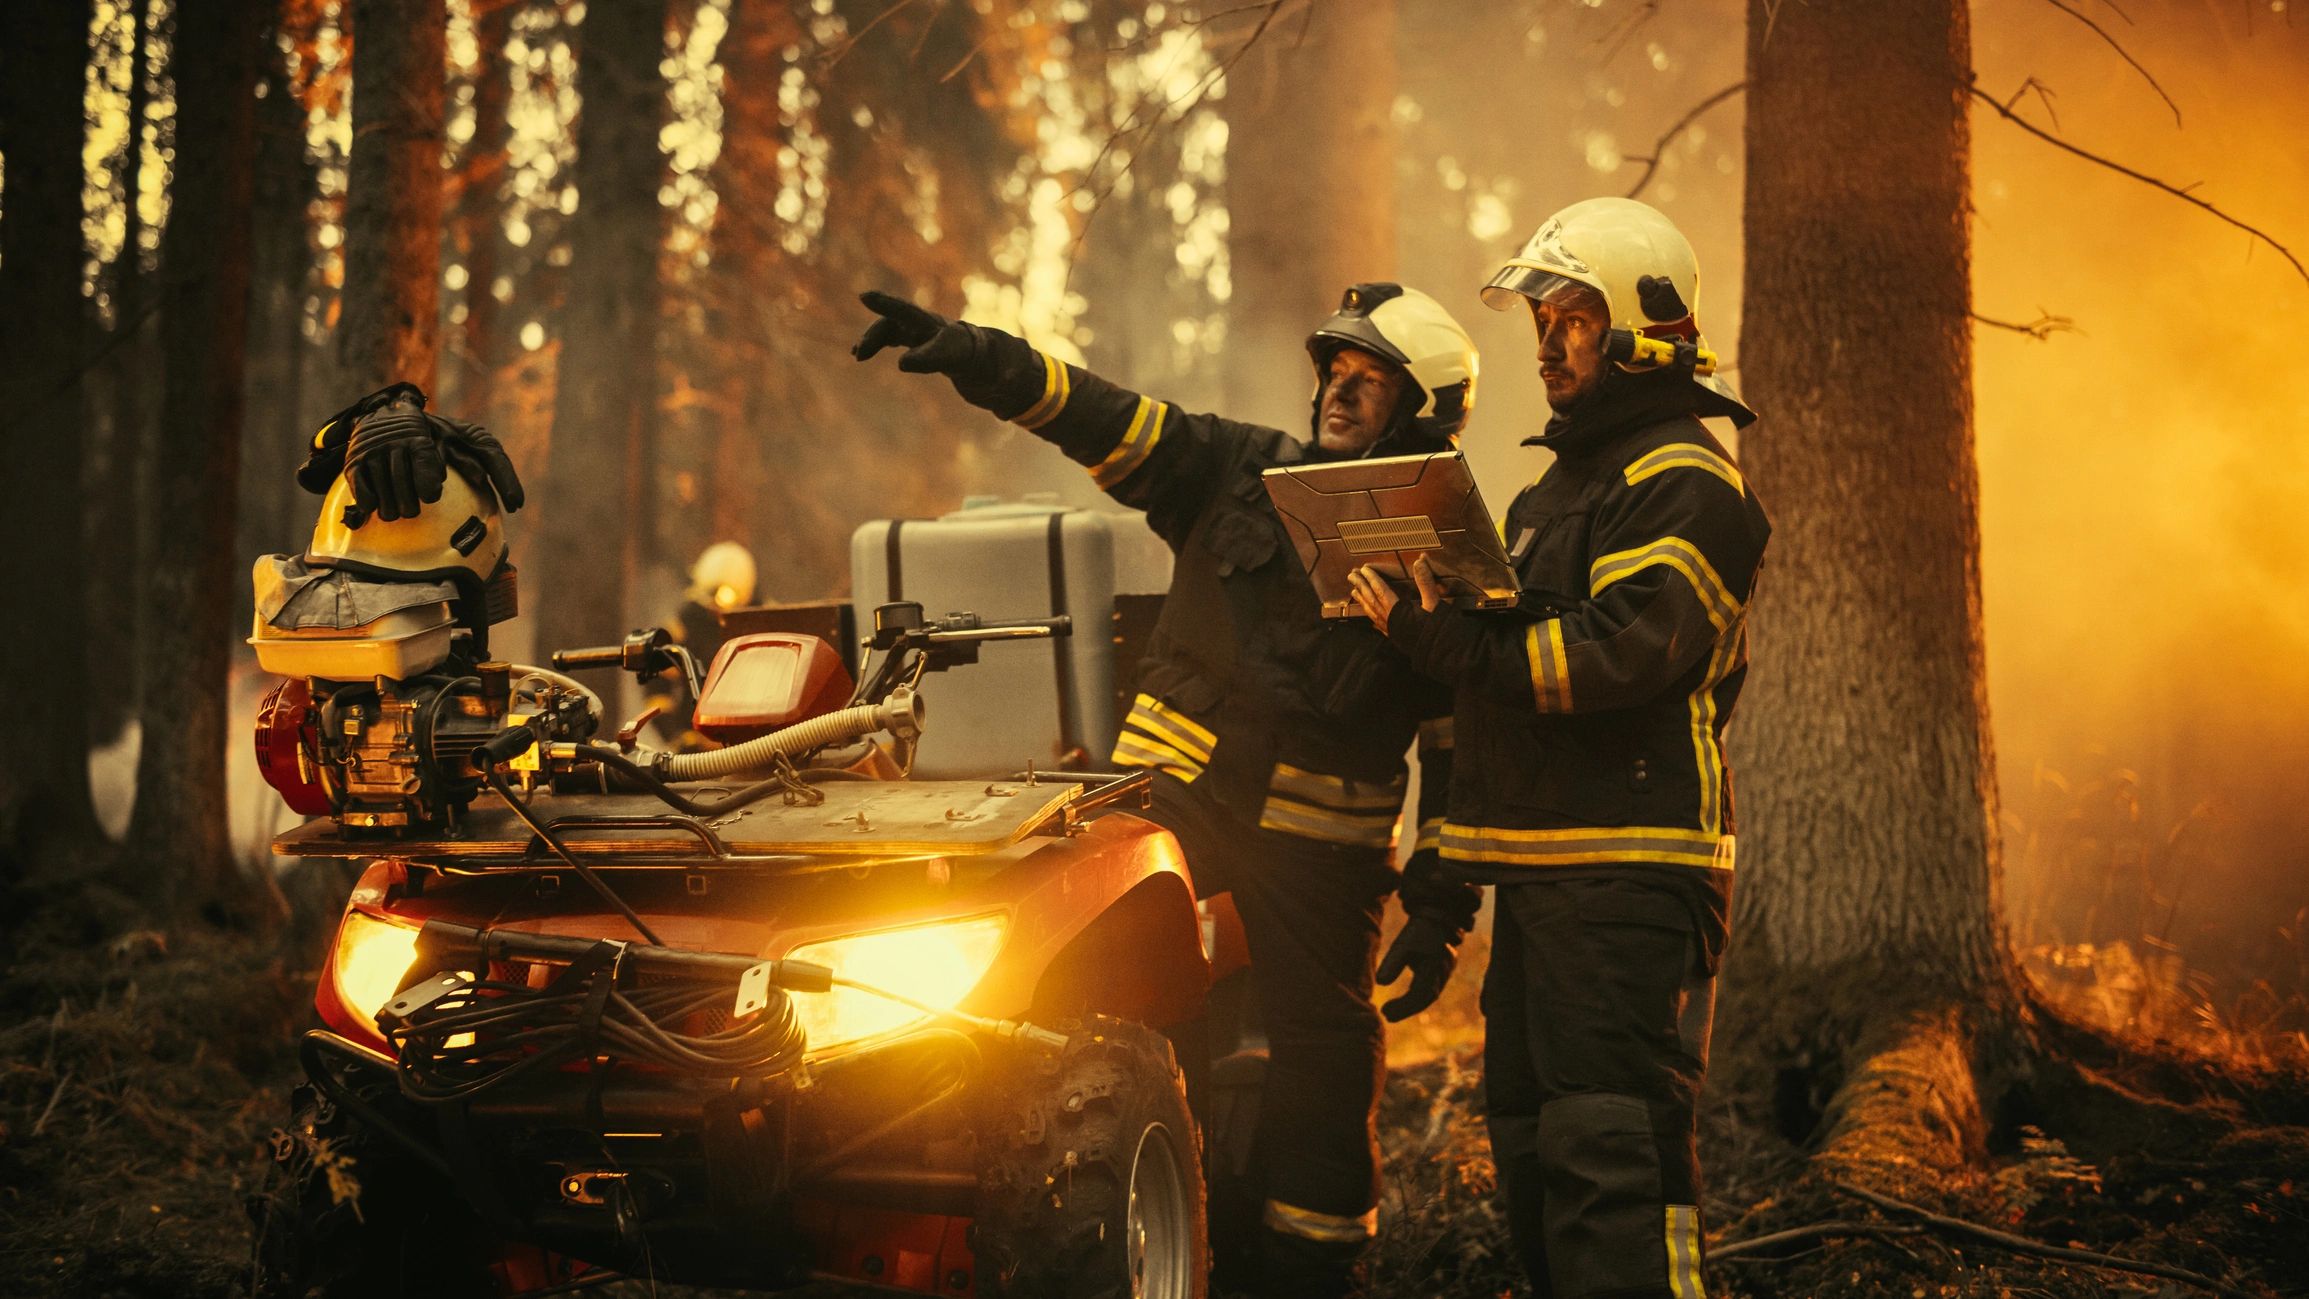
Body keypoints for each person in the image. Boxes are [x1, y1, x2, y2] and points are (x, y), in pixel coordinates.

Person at [853, 285, 1486, 1298]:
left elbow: (1465, 742)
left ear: (1422, 416)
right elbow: (1100, 412)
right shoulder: (1235, 469)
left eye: (1370, 383)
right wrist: (979, 354)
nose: (1338, 392)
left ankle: (1307, 1280)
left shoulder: (1443, 555)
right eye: (1334, 371)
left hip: (1323, 859)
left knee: (1326, 1066)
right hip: (1175, 808)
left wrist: (1442, 907)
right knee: (1103, 1001)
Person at [1348, 197, 1771, 1299]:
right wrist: (1441, 896)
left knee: (1611, 1163)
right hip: (1546, 878)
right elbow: (1508, 676)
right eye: (1538, 319)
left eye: (1570, 316)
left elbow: (1614, 657)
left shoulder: (1687, 479)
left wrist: (1436, 633)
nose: (1544, 342)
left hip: (1630, 878)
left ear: (1643, 325)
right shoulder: (1560, 486)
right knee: (1538, 1156)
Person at [646, 541, 757, 747]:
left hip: (753, 742)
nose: (716, 610)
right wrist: (677, 737)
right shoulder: (686, 628)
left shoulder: (763, 626)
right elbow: (657, 683)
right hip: (697, 742)